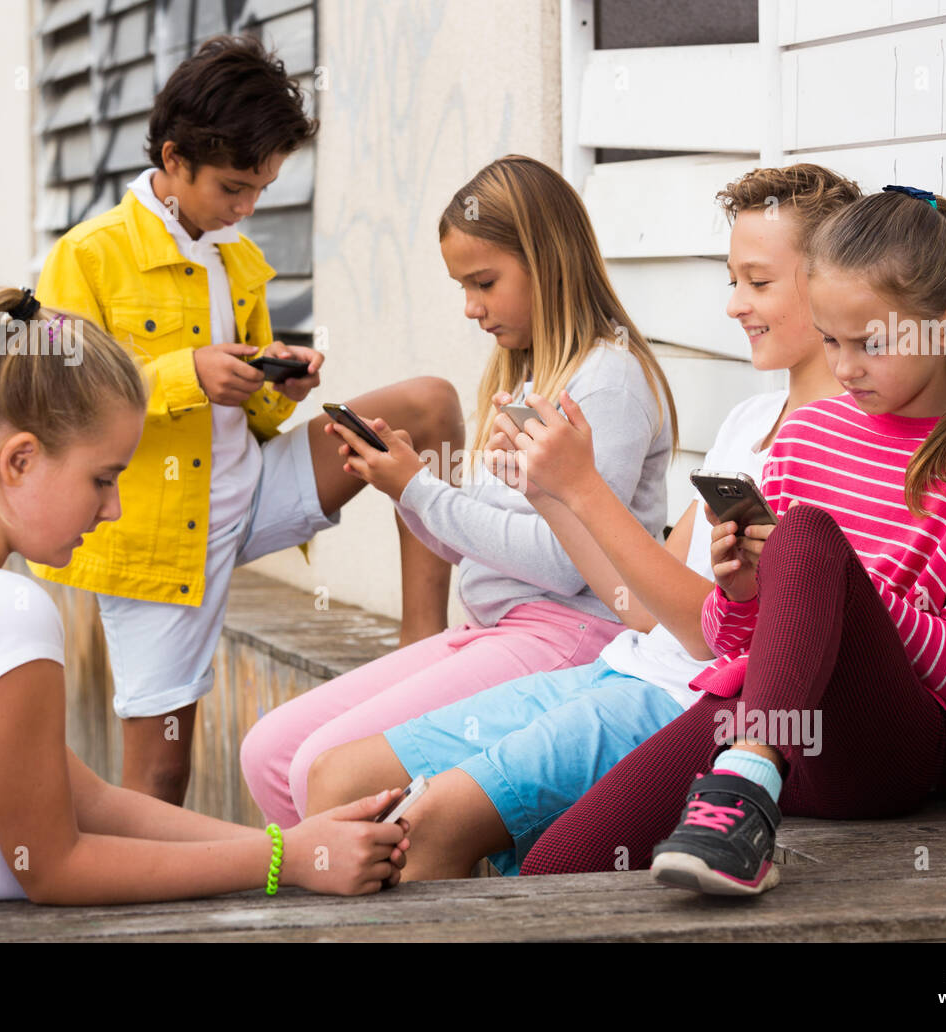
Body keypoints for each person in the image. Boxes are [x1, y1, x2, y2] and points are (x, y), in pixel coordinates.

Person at [303, 165, 860, 879]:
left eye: (758, 283)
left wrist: (581, 487)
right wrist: (549, 490)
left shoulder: (833, 444)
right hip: (619, 665)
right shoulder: (748, 422)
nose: (734, 307)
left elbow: (699, 634)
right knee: (336, 775)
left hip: (666, 698)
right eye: (732, 281)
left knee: (426, 825)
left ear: (830, 285)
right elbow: (640, 611)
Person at [519, 186, 946, 896]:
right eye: (830, 341)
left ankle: (746, 788)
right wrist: (739, 593)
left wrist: (843, 585)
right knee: (558, 862)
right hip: (764, 723)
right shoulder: (807, 434)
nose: (846, 367)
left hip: (884, 747)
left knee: (807, 536)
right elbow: (735, 644)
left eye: (872, 344)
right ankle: (747, 784)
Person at [0, 288, 410, 906]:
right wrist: (285, 861)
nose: (114, 508)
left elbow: (94, 804)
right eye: (102, 479)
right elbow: (55, 869)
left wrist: (294, 846)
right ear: (19, 460)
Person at [26, 34, 465, 805]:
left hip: (252, 492)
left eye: (261, 188)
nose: (248, 206)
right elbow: (54, 398)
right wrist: (184, 374)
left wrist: (277, 387)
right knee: (161, 771)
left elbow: (252, 417)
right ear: (173, 158)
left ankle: (421, 647)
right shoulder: (87, 256)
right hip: (156, 535)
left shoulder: (237, 258)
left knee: (426, 406)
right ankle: (149, 913)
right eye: (235, 187)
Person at [241, 154, 680, 828]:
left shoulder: (608, 381)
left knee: (318, 765)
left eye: (484, 282)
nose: (471, 309)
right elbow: (478, 538)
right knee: (269, 751)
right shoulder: (526, 377)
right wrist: (398, 482)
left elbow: (566, 564)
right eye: (462, 287)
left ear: (550, 260)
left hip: (572, 633)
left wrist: (421, 491)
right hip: (498, 627)